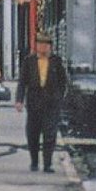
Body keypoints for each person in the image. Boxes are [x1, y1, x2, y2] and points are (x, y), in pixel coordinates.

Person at [15, 34, 68, 172]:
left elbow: (63, 82)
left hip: (51, 104)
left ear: (50, 46)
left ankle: (47, 164)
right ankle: (34, 162)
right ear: (36, 45)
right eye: (40, 44)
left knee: (50, 134)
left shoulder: (56, 61)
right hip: (34, 103)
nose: (43, 47)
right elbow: (22, 82)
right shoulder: (29, 61)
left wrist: (59, 97)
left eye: (46, 44)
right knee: (33, 133)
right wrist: (19, 100)